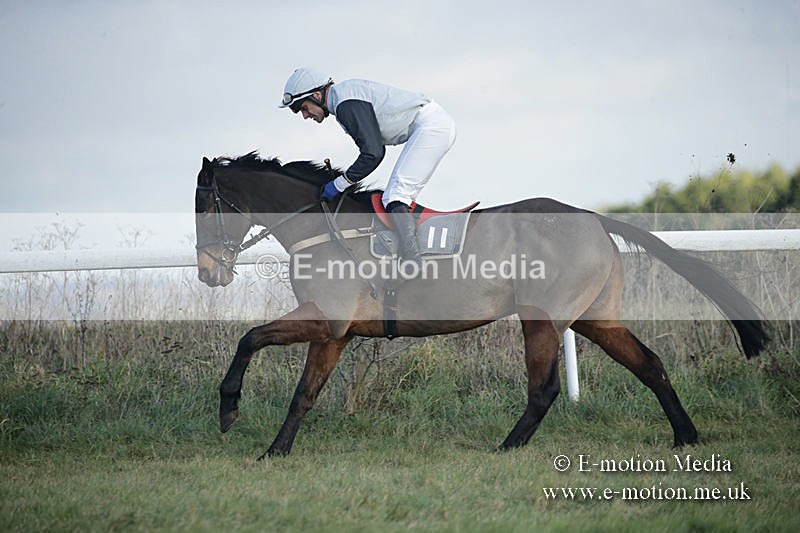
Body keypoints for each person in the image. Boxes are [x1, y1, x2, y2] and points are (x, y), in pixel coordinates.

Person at [279, 67, 456, 269]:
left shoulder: (346, 104)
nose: (304, 115)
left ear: (317, 95)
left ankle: (413, 263)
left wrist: (338, 184)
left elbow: (373, 154)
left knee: (396, 196)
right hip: (429, 125)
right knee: (395, 195)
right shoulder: (343, 100)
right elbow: (373, 152)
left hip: (430, 127)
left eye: (303, 107)